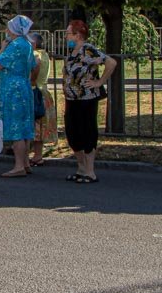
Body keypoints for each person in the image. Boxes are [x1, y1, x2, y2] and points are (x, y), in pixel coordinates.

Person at [62, 20, 118, 183]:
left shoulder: (88, 49)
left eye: (68, 33)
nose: (66, 37)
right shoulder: (73, 51)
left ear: (78, 35)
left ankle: (90, 171)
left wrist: (99, 82)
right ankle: (81, 168)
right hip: (71, 98)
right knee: (73, 133)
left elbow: (111, 62)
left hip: (86, 98)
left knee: (87, 131)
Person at [0, 15, 37, 178]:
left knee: (16, 126)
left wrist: (3, 47)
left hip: (12, 88)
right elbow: (33, 65)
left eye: (8, 27)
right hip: (24, 86)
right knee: (25, 125)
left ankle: (18, 165)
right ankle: (25, 162)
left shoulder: (15, 45)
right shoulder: (27, 44)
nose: (6, 30)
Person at [29, 32, 56, 166]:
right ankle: (37, 154)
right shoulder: (45, 54)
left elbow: (34, 73)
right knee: (40, 125)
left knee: (35, 125)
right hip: (43, 91)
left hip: (35, 92)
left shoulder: (35, 55)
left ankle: (36, 155)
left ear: (33, 44)